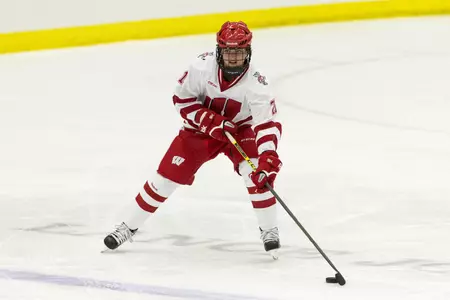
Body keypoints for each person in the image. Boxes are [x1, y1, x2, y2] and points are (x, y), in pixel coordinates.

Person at [103, 21, 283, 257]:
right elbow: (182, 100)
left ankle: (270, 231)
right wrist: (210, 121)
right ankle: (127, 226)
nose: (233, 59)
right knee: (166, 178)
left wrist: (268, 156)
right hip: (200, 131)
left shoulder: (258, 82)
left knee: (256, 175)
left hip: (240, 130)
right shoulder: (200, 67)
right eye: (229, 53)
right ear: (219, 51)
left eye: (239, 53)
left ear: (248, 52)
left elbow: (266, 123)